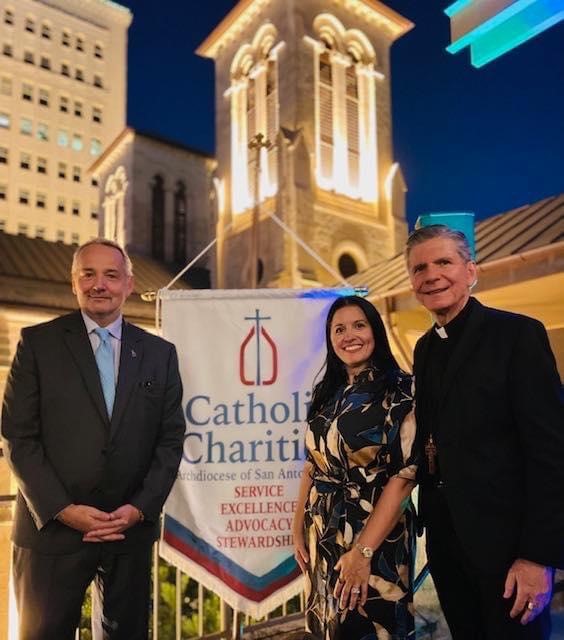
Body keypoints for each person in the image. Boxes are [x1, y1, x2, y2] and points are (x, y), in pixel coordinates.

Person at [1, 238, 185, 639]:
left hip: (127, 531)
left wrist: (139, 509)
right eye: (88, 274)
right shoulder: (37, 344)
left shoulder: (159, 353)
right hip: (51, 530)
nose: (99, 284)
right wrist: (62, 508)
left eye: (111, 275)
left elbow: (170, 440)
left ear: (128, 284)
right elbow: (18, 436)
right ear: (73, 282)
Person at [406, 224, 564, 639]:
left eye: (444, 262)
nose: (432, 274)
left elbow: (550, 452)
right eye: (420, 268)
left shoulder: (517, 334)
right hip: (447, 543)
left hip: (508, 550)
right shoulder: (424, 348)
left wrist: (537, 557)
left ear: (471, 271)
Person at [292, 295, 418, 640]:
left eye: (359, 325)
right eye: (339, 329)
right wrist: (296, 527)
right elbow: (312, 463)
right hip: (322, 531)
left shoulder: (401, 390)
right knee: (327, 628)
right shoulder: (327, 392)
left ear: (375, 330)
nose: (350, 335)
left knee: (367, 626)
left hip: (375, 534)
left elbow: (404, 479)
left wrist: (363, 553)